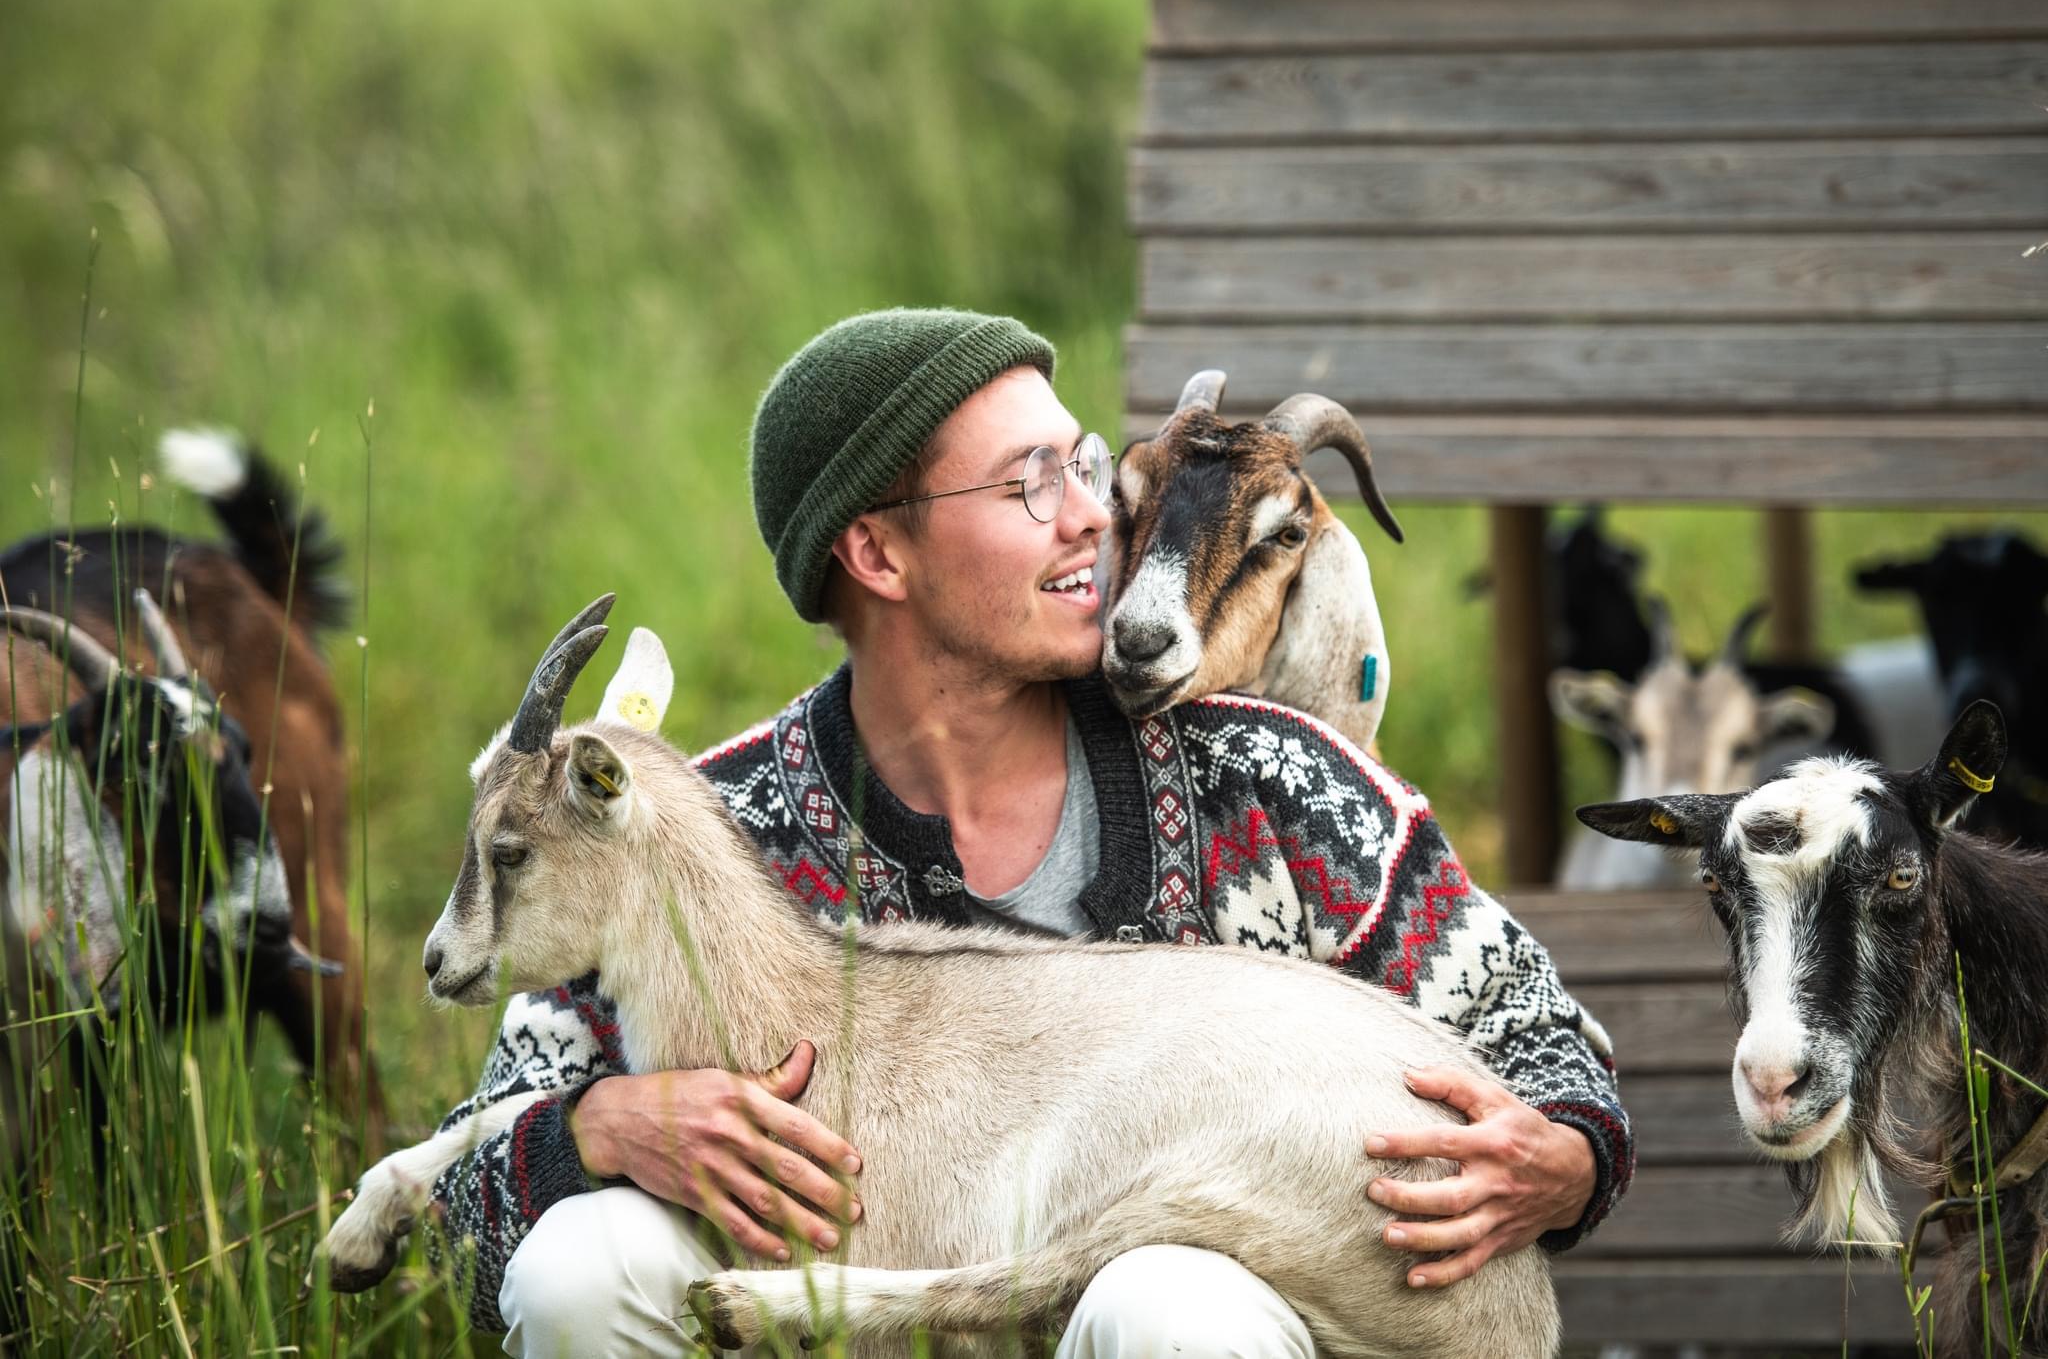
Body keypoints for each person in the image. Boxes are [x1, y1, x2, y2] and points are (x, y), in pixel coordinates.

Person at [427, 309, 1634, 1356]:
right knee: (579, 1265)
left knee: (1169, 1307)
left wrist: (1564, 1158)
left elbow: (1539, 1041)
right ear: (876, 553)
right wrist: (592, 1131)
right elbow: (461, 1213)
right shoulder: (699, 827)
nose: (1090, 521)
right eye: (1027, 485)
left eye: (1085, 468)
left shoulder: (1265, 779)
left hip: (1216, 1332)